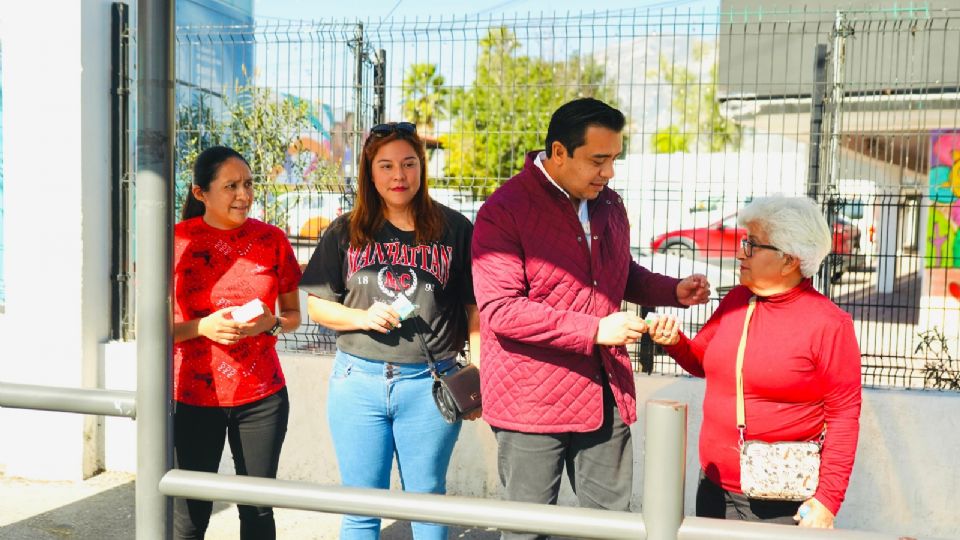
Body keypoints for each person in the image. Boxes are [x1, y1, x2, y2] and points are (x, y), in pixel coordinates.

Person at [471, 97, 711, 538]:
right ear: (559, 152)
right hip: (530, 403)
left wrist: (671, 290)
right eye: (598, 160)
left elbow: (618, 274)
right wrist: (596, 329)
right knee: (526, 530)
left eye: (614, 158)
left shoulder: (609, 204)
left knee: (610, 528)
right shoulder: (503, 210)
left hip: (606, 395)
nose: (609, 172)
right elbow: (501, 310)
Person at [300, 121, 481, 540]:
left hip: (429, 385)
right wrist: (362, 318)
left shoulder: (454, 230)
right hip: (356, 383)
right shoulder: (346, 230)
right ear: (369, 171)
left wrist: (478, 379)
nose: (399, 176)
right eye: (386, 166)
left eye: (408, 163)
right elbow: (318, 305)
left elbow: (476, 313)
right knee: (361, 507)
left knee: (427, 502)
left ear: (421, 167)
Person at [649, 195, 862, 529]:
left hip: (779, 498)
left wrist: (827, 500)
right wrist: (675, 342)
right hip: (715, 487)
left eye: (751, 244)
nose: (739, 253)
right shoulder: (737, 300)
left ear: (789, 259)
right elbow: (702, 362)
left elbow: (844, 416)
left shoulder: (829, 325)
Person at [172, 146, 303, 539]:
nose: (243, 194)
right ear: (200, 193)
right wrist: (201, 328)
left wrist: (271, 322)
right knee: (189, 518)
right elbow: (150, 326)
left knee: (258, 513)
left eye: (247, 183)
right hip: (193, 398)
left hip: (262, 398)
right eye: (231, 186)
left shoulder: (272, 239)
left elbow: (293, 316)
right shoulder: (176, 243)